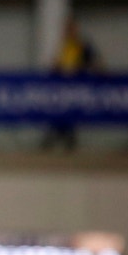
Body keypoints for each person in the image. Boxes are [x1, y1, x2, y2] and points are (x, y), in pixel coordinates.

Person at [40, 15, 99, 152]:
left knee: (69, 116)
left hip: (76, 88)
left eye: (71, 29)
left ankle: (67, 142)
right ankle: (56, 142)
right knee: (59, 115)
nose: (68, 32)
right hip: (62, 89)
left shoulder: (82, 46)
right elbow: (57, 64)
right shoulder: (65, 46)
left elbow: (94, 63)